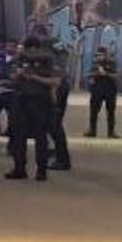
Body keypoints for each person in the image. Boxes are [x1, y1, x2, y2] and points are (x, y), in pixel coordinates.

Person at [7, 34, 61, 181]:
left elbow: (55, 81)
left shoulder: (48, 59)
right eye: (28, 49)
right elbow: (11, 77)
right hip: (20, 100)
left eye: (33, 49)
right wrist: (19, 75)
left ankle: (41, 170)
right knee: (18, 136)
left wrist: (35, 78)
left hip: (40, 101)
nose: (30, 53)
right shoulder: (19, 59)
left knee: (40, 136)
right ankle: (19, 168)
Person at [33, 23, 74, 170]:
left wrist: (57, 74)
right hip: (56, 85)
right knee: (52, 124)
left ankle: (62, 158)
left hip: (55, 86)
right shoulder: (50, 45)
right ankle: (54, 152)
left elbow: (62, 59)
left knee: (54, 123)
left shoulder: (50, 44)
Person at [87, 45, 121, 138]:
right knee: (93, 111)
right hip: (97, 90)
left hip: (110, 90)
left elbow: (117, 75)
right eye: (98, 55)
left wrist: (106, 74)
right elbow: (89, 74)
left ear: (106, 54)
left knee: (110, 111)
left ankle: (111, 132)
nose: (99, 57)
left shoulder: (112, 63)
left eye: (101, 55)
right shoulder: (95, 63)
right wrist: (96, 74)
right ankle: (92, 130)